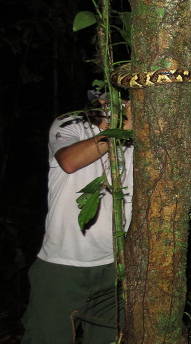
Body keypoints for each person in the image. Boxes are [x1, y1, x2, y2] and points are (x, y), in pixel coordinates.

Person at [22, 91, 134, 344]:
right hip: (61, 266)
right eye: (104, 98)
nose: (109, 103)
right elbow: (69, 161)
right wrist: (123, 127)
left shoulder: (141, 134)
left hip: (113, 267)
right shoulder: (72, 123)